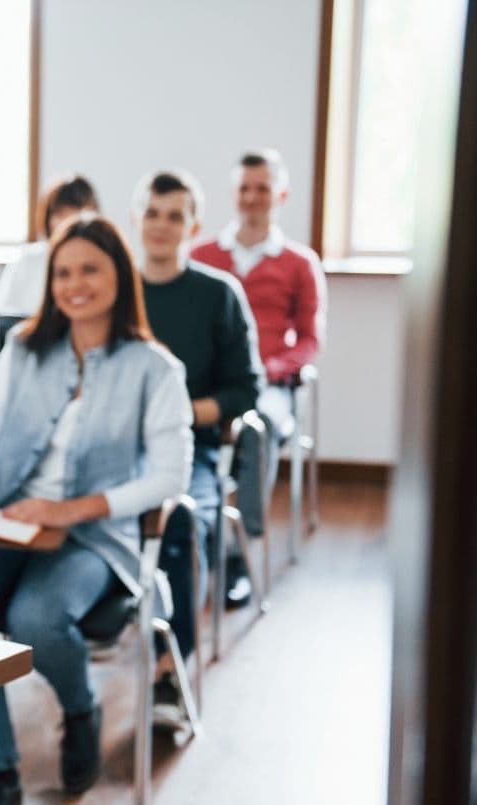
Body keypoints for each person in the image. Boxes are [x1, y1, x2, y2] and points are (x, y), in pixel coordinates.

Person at [0, 214, 193, 803]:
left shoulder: (156, 368)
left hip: (94, 534)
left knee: (36, 617)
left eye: (90, 270)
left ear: (120, 276)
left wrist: (73, 509)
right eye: (63, 273)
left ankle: (81, 709)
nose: (74, 285)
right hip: (5, 519)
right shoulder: (25, 348)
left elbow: (171, 476)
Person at [134, 170, 263, 696]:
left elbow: (245, 391)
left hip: (192, 449)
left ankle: (172, 663)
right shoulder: (114, 291)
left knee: (182, 524)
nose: (161, 225)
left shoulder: (219, 295)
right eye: (152, 213)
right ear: (137, 219)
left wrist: (178, 414)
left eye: (174, 216)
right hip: (115, 450)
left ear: (193, 226)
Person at [190, 148, 327, 607]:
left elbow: (310, 339)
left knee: (258, 426)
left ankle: (237, 550)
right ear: (233, 193)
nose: (252, 197)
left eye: (262, 189)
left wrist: (273, 368)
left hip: (269, 384)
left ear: (280, 195)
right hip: (211, 382)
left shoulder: (299, 263)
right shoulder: (202, 255)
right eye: (244, 189)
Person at [0, 175, 101, 318]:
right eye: (60, 214)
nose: (68, 222)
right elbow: (6, 315)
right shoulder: (27, 260)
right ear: (48, 218)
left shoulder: (103, 260)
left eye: (75, 212)